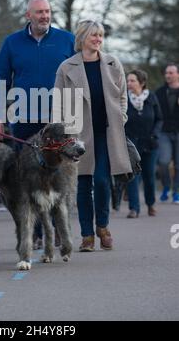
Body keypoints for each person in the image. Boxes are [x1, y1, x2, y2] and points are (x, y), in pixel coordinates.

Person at [0, 0, 75, 248]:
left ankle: (59, 228)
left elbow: (78, 76)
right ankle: (36, 231)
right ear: (28, 15)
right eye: (39, 12)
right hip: (24, 118)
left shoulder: (66, 40)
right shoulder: (12, 42)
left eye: (48, 11)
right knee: (28, 175)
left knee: (59, 174)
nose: (44, 16)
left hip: (58, 118)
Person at [53, 19, 131, 252]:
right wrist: (61, 132)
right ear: (82, 38)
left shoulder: (112, 63)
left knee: (102, 180)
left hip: (107, 133)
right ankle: (87, 235)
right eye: (93, 35)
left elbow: (123, 96)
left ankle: (103, 227)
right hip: (78, 135)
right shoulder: (67, 67)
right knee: (84, 183)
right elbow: (58, 103)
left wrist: (122, 118)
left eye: (100, 35)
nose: (98, 39)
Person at [125, 70, 162, 218]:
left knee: (149, 176)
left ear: (142, 83)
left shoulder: (151, 97)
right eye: (128, 81)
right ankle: (134, 208)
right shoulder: (124, 99)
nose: (129, 84)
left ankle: (151, 203)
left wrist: (155, 134)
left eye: (132, 81)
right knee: (133, 176)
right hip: (131, 143)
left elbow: (159, 119)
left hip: (150, 143)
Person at [156, 63, 179, 204]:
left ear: (177, 74)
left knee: (178, 165)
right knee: (163, 162)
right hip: (164, 132)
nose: (168, 75)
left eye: (171, 73)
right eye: (166, 73)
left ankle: (176, 192)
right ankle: (166, 186)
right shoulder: (159, 92)